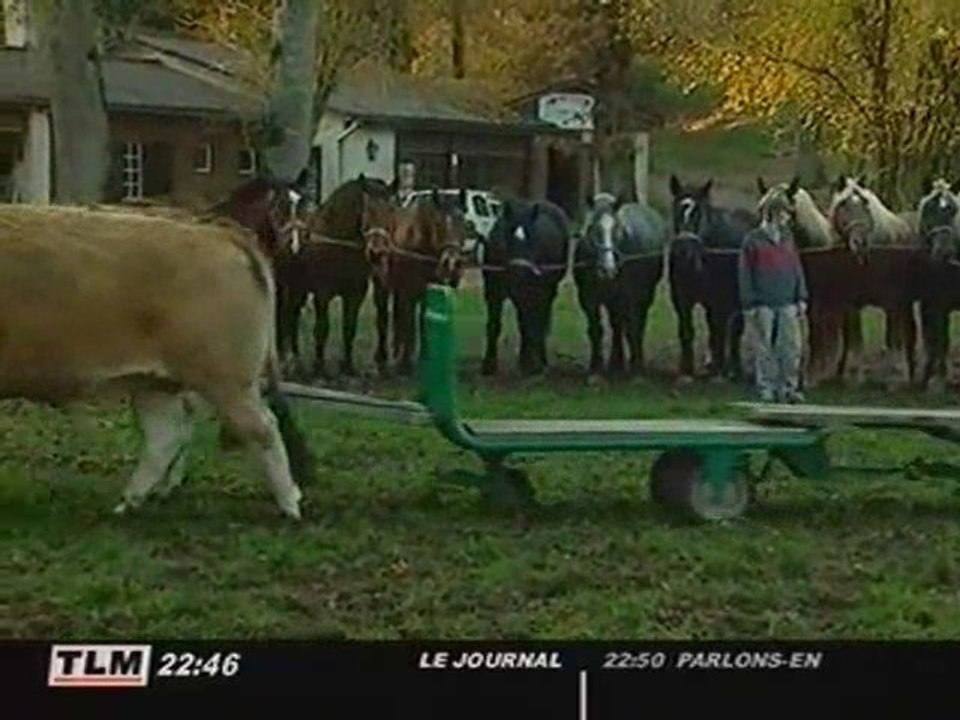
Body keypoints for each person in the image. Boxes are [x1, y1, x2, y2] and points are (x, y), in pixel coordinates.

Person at [738, 192, 809, 403]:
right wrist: (749, 301)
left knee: (791, 347)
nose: (787, 218)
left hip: (788, 301)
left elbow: (796, 267)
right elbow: (745, 272)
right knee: (765, 347)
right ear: (773, 213)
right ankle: (766, 388)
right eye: (784, 213)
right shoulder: (753, 240)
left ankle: (789, 387)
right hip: (763, 303)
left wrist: (801, 295)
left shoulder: (788, 238)